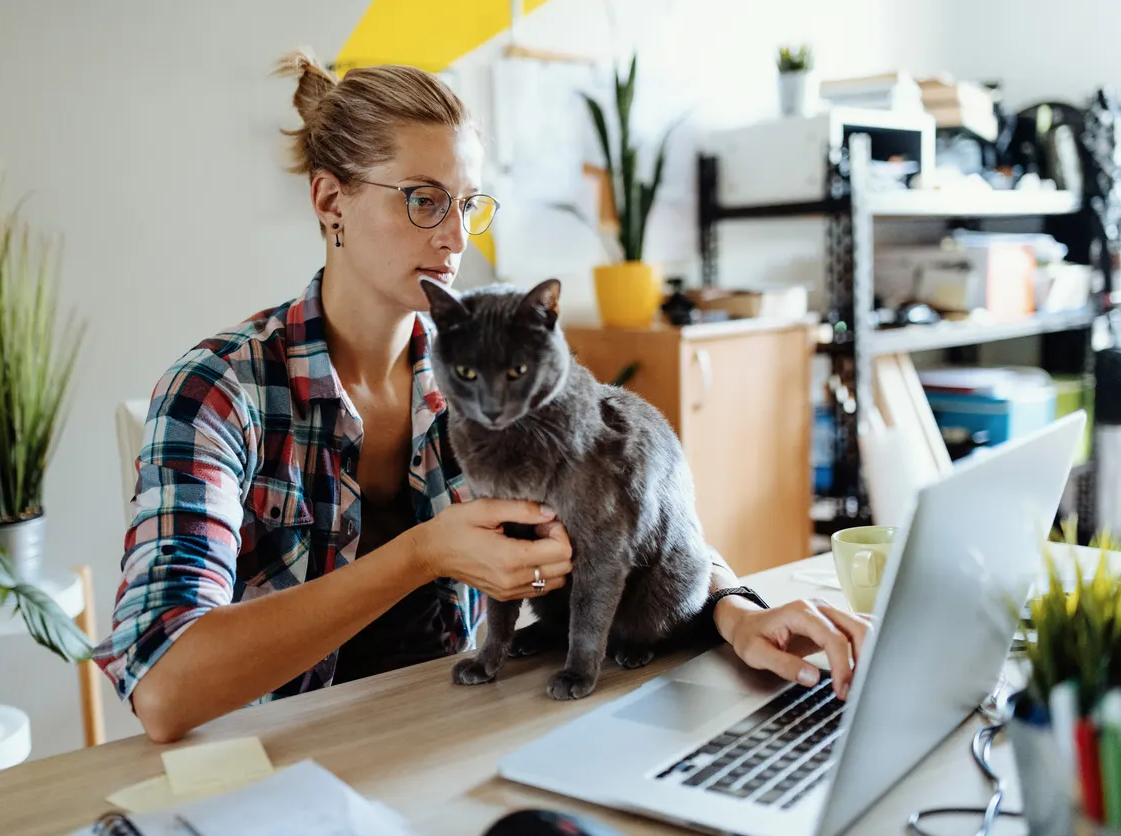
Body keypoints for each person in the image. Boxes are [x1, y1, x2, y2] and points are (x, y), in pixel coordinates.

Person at [92, 51, 871, 744]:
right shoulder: (218, 392)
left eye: (467, 204)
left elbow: (631, 505)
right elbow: (164, 687)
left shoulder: (494, 364)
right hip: (281, 762)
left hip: (464, 727)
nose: (455, 237)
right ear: (330, 201)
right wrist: (420, 555)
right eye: (423, 200)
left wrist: (735, 612)